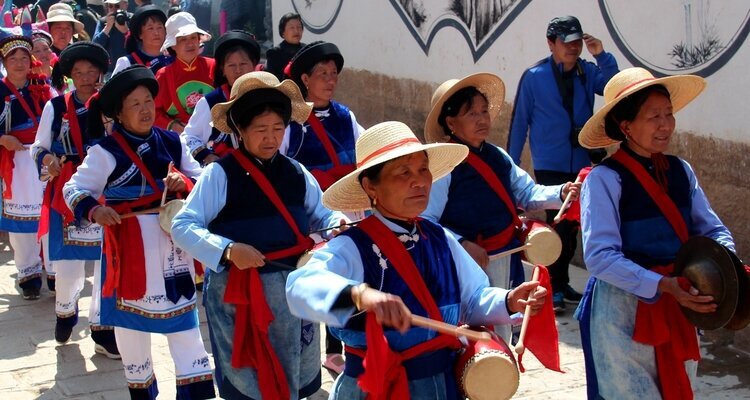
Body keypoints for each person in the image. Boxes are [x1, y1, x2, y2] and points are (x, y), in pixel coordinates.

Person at [286, 121, 547, 399]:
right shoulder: (353, 246)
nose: (419, 181)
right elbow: (298, 287)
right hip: (376, 387)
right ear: (370, 187)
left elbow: (473, 299)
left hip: (441, 384)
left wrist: (509, 300)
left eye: (423, 169)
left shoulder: (439, 238)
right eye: (403, 172)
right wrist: (360, 295)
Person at [172, 71, 344, 400]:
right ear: (239, 130)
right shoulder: (219, 174)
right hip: (242, 294)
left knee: (293, 372)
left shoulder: (296, 172)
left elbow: (322, 213)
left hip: (293, 289)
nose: (270, 138)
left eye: (278, 129)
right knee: (250, 381)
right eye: (261, 130)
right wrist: (228, 249)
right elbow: (183, 225)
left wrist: (336, 224)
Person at [575, 67, 735, 399]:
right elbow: (600, 258)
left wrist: (725, 264)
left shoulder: (681, 171)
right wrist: (662, 285)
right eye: (653, 117)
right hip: (622, 315)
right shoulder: (604, 179)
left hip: (679, 305)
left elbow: (713, 230)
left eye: (668, 114)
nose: (665, 124)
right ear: (626, 126)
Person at [62, 65, 214, 399]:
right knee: (132, 326)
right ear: (118, 112)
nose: (145, 109)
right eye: (135, 104)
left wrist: (185, 182)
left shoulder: (172, 142)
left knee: (185, 324)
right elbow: (74, 189)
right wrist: (95, 209)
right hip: (129, 246)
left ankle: (196, 392)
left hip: (173, 245)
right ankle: (142, 391)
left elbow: (203, 177)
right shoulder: (105, 152)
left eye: (148, 101)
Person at [422, 73, 579, 342]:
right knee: (469, 333)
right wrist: (461, 244)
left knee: (502, 330)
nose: (482, 119)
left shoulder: (498, 157)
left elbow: (528, 193)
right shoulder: (443, 166)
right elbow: (426, 221)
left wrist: (561, 192)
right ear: (450, 122)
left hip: (504, 259)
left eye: (484, 111)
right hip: (466, 265)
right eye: (472, 114)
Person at [507, 15, 619, 312]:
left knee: (573, 229)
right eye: (567, 43)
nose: (573, 48)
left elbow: (613, 87)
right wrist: (511, 166)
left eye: (577, 42)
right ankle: (551, 287)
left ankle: (562, 281)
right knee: (553, 228)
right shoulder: (534, 76)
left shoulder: (588, 72)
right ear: (551, 43)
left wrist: (601, 55)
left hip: (581, 160)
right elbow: (519, 123)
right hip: (550, 163)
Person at [31, 41, 120, 357]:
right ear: (68, 76)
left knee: (105, 264)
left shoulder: (112, 105)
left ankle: (102, 329)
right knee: (69, 269)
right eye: (78, 72)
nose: (84, 77)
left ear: (100, 73)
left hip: (107, 191)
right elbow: (39, 146)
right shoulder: (55, 107)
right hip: (69, 192)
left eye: (90, 71)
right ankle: (66, 310)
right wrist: (47, 160)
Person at [284, 40, 365, 373]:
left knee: (350, 272)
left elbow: (365, 152)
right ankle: (313, 349)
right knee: (323, 274)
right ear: (305, 79)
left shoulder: (346, 116)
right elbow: (284, 167)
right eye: (322, 74)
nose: (330, 80)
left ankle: (338, 346)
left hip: (351, 208)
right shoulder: (291, 124)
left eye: (334, 74)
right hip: (314, 214)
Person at [0, 34, 53, 300]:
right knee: (22, 222)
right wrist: (2, 138)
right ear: (4, 62)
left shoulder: (43, 86)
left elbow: (58, 117)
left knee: (51, 215)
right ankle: (28, 273)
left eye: (24, 57)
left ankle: (55, 271)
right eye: (13, 58)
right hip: (16, 162)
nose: (19, 63)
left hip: (44, 158)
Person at [182, 30, 259, 165]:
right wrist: (207, 156)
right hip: (226, 172)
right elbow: (189, 137)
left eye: (243, 64)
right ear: (222, 70)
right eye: (231, 65)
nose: (238, 70)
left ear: (253, 66)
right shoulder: (211, 102)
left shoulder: (267, 96)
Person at [153, 11, 213, 133]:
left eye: (193, 37)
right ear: (173, 45)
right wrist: (172, 125)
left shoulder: (214, 65)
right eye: (183, 39)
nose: (190, 43)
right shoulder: (163, 75)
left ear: (198, 39)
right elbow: (153, 111)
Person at [111, 4, 170, 76]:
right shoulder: (127, 63)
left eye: (159, 27)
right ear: (140, 34)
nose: (156, 33)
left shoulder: (174, 58)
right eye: (150, 28)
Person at [93, 0, 130, 79]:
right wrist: (108, 27)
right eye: (110, 6)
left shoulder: (131, 19)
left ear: (125, 5)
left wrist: (126, 32)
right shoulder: (103, 22)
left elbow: (140, 43)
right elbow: (95, 46)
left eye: (117, 6)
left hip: (130, 67)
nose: (113, 10)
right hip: (109, 71)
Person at [265, 12, 304, 80]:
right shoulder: (274, 53)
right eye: (292, 28)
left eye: (299, 27)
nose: (296, 31)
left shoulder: (306, 50)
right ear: (283, 32)